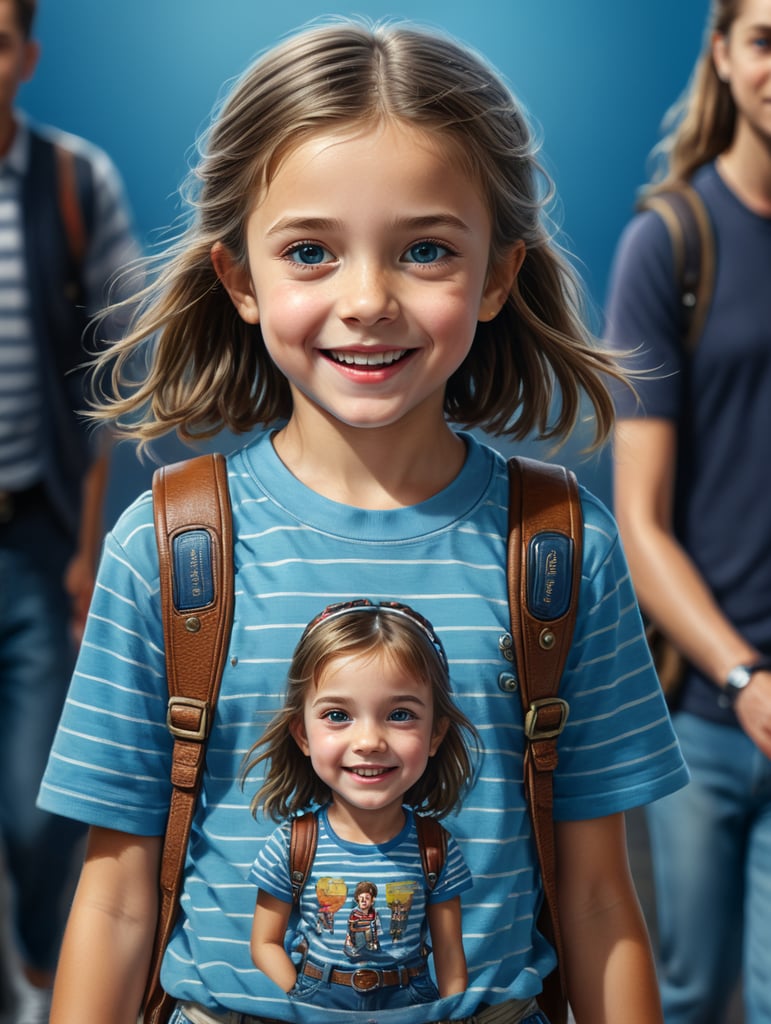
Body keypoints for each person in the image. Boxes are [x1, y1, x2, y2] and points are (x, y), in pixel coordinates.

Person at [37, 19, 690, 1024]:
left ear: (500, 274)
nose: (368, 300)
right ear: (241, 279)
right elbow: (117, 900)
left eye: (425, 248)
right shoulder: (168, 550)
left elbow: (601, 897)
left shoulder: (561, 547)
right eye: (311, 252)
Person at [605, 2, 771, 1021]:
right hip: (708, 712)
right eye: (765, 39)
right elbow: (640, 521)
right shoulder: (672, 243)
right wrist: (747, 677)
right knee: (688, 990)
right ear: (723, 52)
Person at [0, 1, 140, 1021]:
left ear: (27, 55)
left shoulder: (72, 182)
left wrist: (90, 549)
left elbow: (111, 376)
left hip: (35, 538)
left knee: (41, 797)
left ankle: (53, 979)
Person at [244, 599, 477, 1009]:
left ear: (436, 733)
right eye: (337, 715)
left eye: (401, 714)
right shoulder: (292, 844)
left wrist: (451, 1013)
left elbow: (450, 955)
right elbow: (264, 942)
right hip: (316, 998)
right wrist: (301, 999)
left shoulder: (436, 849)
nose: (369, 741)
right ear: (302, 734)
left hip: (413, 1001)